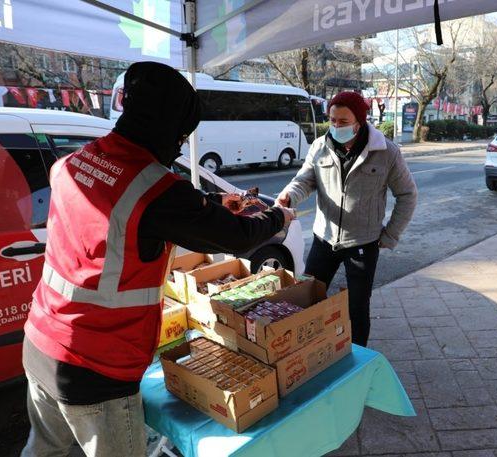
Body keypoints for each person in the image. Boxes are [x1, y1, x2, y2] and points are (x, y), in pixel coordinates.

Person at [20, 62, 295, 457]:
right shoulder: (157, 189)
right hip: (96, 365)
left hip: (41, 340)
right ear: (168, 126)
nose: (181, 145)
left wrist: (214, 203)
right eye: (182, 135)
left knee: (44, 452)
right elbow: (236, 236)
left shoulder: (73, 162)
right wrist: (278, 216)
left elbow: (127, 202)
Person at [276, 91, 417, 347]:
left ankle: (358, 359)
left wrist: (390, 234)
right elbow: (305, 181)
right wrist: (289, 196)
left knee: (357, 309)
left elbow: (407, 195)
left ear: (359, 122)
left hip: (363, 244)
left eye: (342, 121)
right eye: (332, 120)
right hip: (324, 239)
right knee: (309, 300)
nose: (336, 126)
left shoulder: (386, 152)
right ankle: (310, 350)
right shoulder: (320, 146)